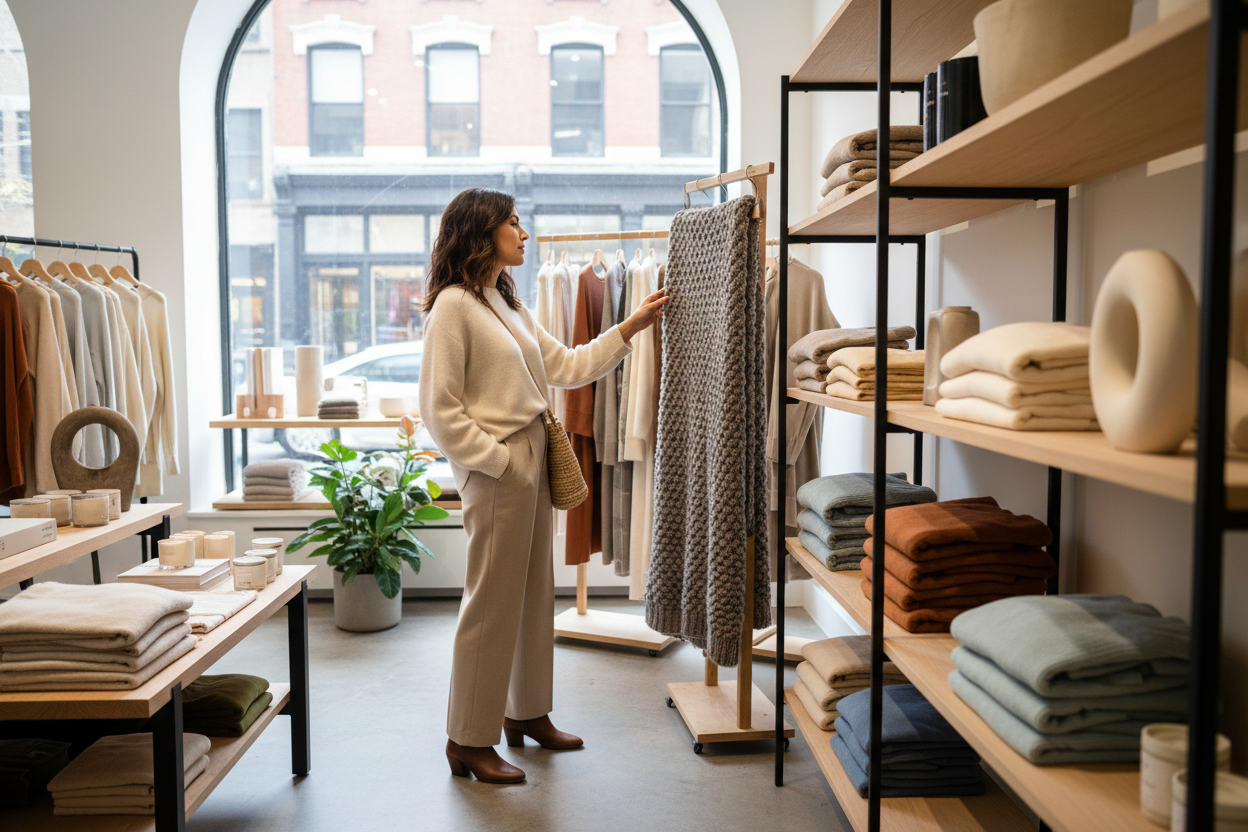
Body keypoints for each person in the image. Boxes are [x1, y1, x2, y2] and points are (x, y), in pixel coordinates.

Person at [418, 188, 667, 784]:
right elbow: (439, 409)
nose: (524, 233)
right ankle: (467, 740)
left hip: (529, 462)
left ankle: (526, 713)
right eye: (513, 223)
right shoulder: (453, 306)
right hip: (501, 467)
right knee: (489, 605)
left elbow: (570, 365)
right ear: (483, 232)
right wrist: (497, 461)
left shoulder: (505, 302)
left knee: (533, 598)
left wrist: (631, 325)